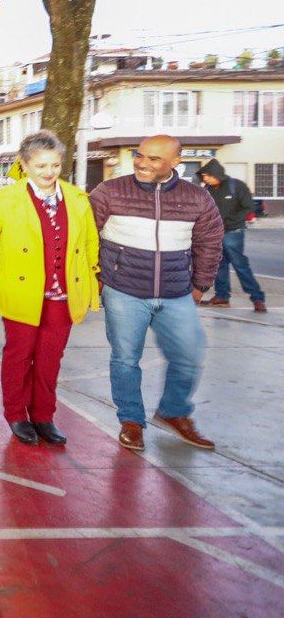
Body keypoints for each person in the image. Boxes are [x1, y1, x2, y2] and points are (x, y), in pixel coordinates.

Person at [91, 134, 223, 452]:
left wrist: (199, 286)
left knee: (189, 356)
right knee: (125, 359)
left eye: (154, 159)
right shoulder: (109, 191)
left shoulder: (197, 198)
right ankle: (132, 422)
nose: (142, 163)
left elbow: (210, 241)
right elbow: (84, 237)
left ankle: (173, 412)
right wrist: (98, 280)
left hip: (177, 293)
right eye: (140, 155)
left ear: (176, 163)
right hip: (123, 291)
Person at [0, 130, 100, 446]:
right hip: (20, 294)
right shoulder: (7, 199)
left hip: (63, 297)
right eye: (41, 166)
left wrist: (91, 285)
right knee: (19, 357)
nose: (49, 173)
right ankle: (17, 415)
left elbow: (89, 244)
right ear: (25, 165)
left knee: (50, 360)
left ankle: (44, 416)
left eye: (55, 165)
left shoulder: (77, 199)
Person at [197, 159, 266, 313]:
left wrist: (228, 222)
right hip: (214, 234)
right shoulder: (208, 189)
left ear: (217, 174)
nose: (205, 178)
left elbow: (248, 207)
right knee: (219, 266)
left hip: (233, 232)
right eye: (203, 176)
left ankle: (257, 298)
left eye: (207, 175)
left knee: (240, 265)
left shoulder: (237, 186)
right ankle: (221, 297)